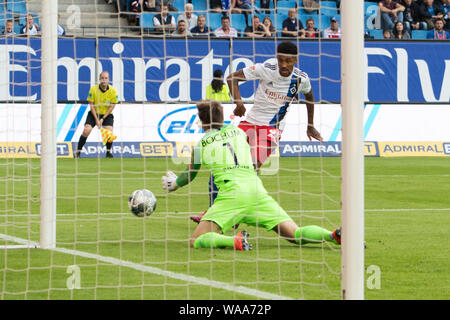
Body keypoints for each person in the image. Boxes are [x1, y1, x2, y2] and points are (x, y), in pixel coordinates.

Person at [163, 101, 341, 251]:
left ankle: (234, 240)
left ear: (201, 122)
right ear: (221, 118)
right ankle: (332, 235)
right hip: (257, 192)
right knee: (295, 234)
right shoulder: (239, 132)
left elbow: (189, 176)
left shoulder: (200, 146)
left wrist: (174, 184)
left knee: (196, 240)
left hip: (231, 195)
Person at [190, 42, 323, 223]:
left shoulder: (301, 79)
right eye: (281, 60)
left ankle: (234, 213)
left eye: (288, 61)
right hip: (249, 123)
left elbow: (309, 96)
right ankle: (215, 212)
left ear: (295, 60)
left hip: (271, 128)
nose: (284, 65)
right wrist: (238, 102)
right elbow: (231, 78)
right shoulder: (265, 69)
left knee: (251, 166)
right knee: (222, 166)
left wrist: (310, 124)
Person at [75, 71, 119, 158]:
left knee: (109, 133)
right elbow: (91, 105)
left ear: (109, 80)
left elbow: (112, 107)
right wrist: (96, 119)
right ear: (99, 79)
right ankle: (78, 152)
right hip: (94, 113)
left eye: (106, 78)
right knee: (86, 130)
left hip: (106, 115)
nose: (104, 80)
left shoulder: (113, 91)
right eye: (102, 78)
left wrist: (102, 119)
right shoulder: (93, 89)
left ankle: (108, 152)